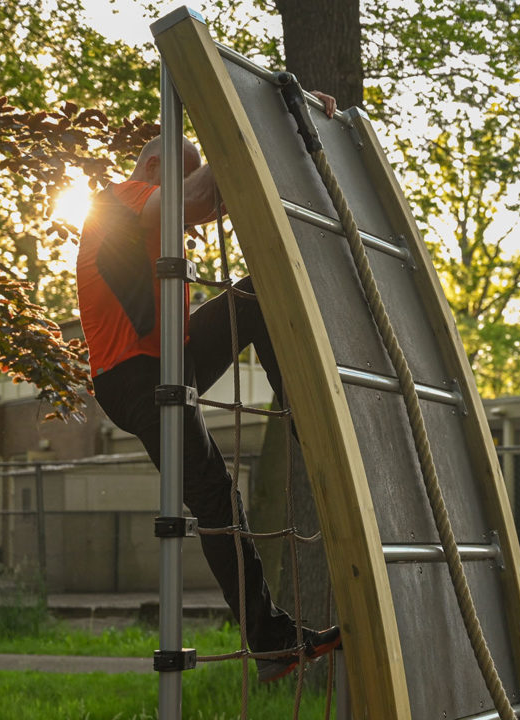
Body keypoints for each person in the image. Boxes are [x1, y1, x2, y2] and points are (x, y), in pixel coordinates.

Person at [76, 95, 338, 682]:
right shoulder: (121, 199)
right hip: (136, 378)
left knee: (259, 292)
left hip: (174, 358)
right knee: (215, 495)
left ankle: (302, 418)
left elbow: (206, 198)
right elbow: (196, 196)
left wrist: (294, 132)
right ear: (156, 168)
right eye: (192, 172)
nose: (209, 201)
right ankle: (269, 639)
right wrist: (252, 126)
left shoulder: (155, 222)